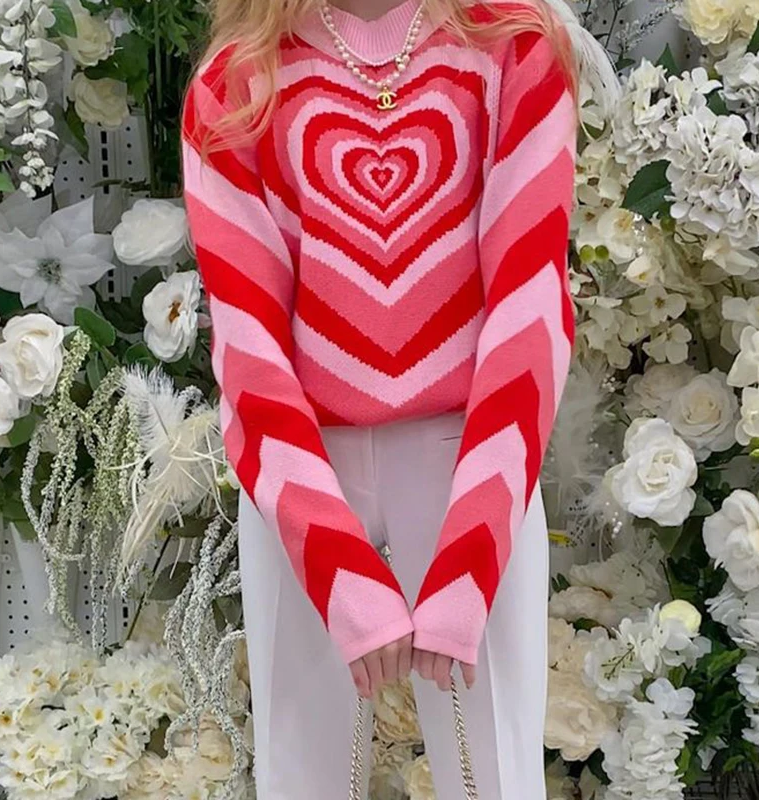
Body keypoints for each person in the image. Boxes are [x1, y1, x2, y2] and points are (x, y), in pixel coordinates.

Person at [179, 1, 616, 797]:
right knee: (300, 778)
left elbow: (529, 312)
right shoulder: (237, 83)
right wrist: (335, 566)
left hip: (470, 457)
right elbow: (248, 350)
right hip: (304, 474)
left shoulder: (513, 49)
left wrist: (471, 557)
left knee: (496, 777)